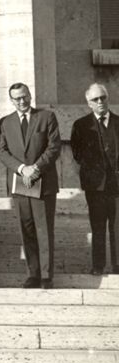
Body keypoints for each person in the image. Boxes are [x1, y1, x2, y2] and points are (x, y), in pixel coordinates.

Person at [0, 82, 61, 288]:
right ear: (11, 100)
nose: (22, 101)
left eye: (25, 96)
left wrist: (35, 168)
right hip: (20, 182)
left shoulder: (46, 117)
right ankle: (32, 273)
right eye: (17, 98)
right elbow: (3, 152)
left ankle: (45, 275)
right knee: (26, 228)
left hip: (42, 181)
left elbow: (54, 146)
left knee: (44, 228)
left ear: (30, 96)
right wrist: (22, 168)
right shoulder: (5, 122)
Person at [71, 83, 119, 276]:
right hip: (96, 186)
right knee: (97, 226)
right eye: (95, 100)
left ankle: (118, 266)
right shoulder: (81, 125)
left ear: (108, 99)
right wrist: (92, 173)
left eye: (103, 98)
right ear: (88, 103)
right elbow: (77, 153)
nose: (100, 102)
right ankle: (98, 266)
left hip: (117, 185)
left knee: (118, 227)